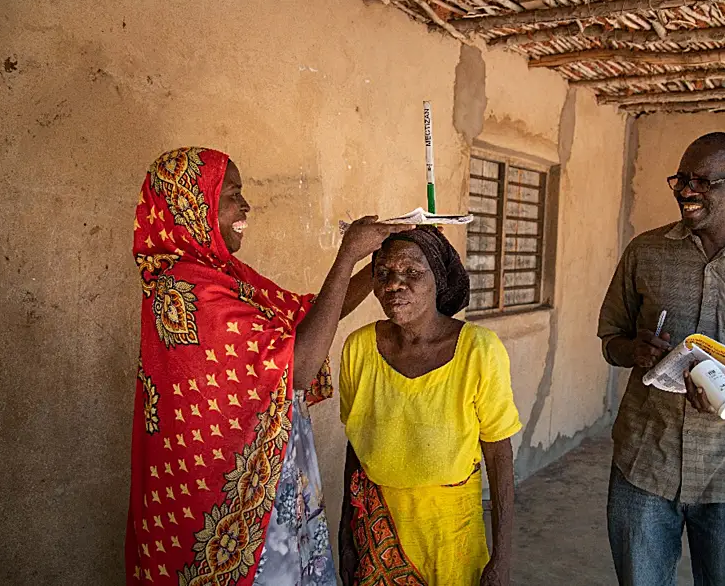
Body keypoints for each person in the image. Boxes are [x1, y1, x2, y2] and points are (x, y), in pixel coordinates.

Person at [126, 146, 409, 586]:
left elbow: (309, 314)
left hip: (270, 469)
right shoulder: (185, 289)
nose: (245, 206)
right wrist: (346, 255)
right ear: (193, 203)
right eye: (232, 194)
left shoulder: (224, 275)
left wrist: (378, 264)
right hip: (229, 491)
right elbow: (296, 365)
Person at [597, 132, 725, 586]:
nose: (686, 191)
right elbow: (611, 337)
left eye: (703, 181)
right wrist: (633, 350)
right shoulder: (646, 251)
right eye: (681, 179)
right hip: (643, 462)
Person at [338, 226, 521, 586]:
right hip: (377, 527)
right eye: (384, 273)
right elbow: (355, 445)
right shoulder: (358, 347)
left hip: (451, 532)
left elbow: (499, 454)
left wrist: (501, 558)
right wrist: (346, 536)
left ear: (437, 279)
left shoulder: (478, 350)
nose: (394, 284)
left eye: (412, 273)